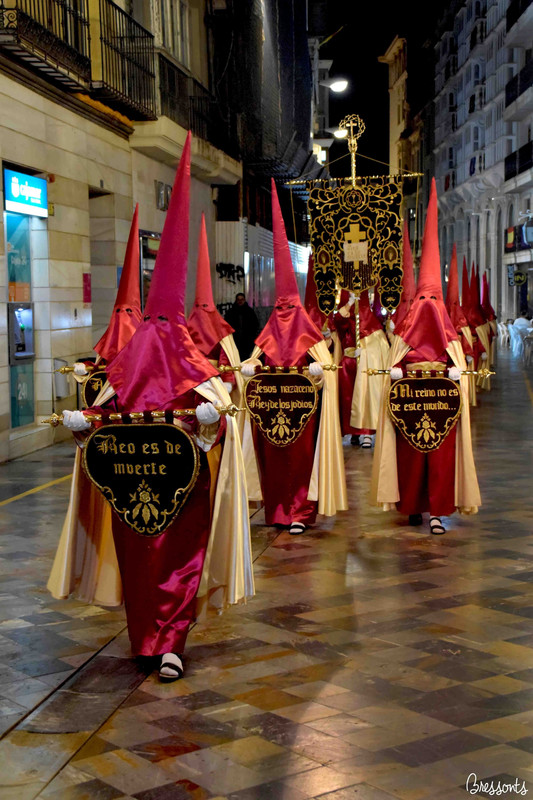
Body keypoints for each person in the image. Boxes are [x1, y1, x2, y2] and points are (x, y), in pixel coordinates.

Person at [53, 133, 253, 681]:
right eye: (153, 324)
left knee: (180, 559)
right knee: (140, 561)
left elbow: (220, 409)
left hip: (186, 487)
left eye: (169, 323)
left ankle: (173, 641)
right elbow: (106, 410)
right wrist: (82, 423)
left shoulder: (197, 363)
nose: (160, 334)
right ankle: (146, 635)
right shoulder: (129, 361)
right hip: (132, 482)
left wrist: (212, 422)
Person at [371, 178, 481, 535]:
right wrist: (396, 371)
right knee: (411, 458)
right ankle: (414, 505)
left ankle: (438, 510)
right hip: (410, 401)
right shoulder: (404, 332)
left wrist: (454, 374)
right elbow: (395, 360)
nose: (429, 309)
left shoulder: (449, 334)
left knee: (441, 458)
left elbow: (460, 364)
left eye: (434, 301)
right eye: (424, 301)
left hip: (441, 403)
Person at [48, 205, 143, 608]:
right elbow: (99, 406)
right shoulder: (102, 367)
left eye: (129, 314)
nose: (122, 322)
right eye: (117, 314)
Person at [241, 179, 347, 535]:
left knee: (301, 460)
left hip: (303, 412)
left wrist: (318, 372)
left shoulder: (308, 332)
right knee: (272, 461)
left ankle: (300, 510)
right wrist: (251, 366)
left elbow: (326, 369)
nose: (285, 311)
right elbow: (257, 359)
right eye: (280, 306)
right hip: (271, 410)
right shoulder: (269, 328)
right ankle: (277, 510)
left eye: (290, 305)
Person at [187, 214, 245, 418]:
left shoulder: (220, 330)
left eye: (206, 307)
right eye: (199, 307)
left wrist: (227, 382)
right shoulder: (186, 329)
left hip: (214, 384)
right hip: (190, 385)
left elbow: (226, 357)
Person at [334, 289, 389, 448]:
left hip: (364, 367)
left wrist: (365, 353)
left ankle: (367, 433)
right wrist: (349, 303)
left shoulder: (373, 326)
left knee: (366, 397)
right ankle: (353, 433)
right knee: (348, 400)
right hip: (348, 366)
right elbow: (338, 321)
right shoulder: (346, 321)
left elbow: (381, 349)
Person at [224, 292, 260, 360]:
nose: (240, 301)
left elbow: (255, 325)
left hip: (247, 340)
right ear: (236, 300)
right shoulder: (231, 312)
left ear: (244, 300)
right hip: (234, 340)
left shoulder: (250, 312)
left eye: (242, 299)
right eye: (238, 299)